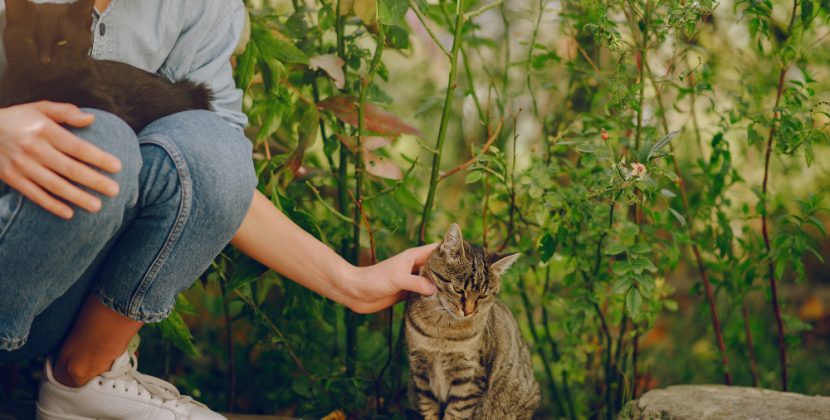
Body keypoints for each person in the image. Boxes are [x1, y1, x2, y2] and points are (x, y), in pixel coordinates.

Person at [0, 0, 437, 419]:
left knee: (210, 145)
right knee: (101, 138)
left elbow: (215, 179)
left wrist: (353, 283)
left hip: (60, 301)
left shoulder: (202, 6)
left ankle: (82, 378)